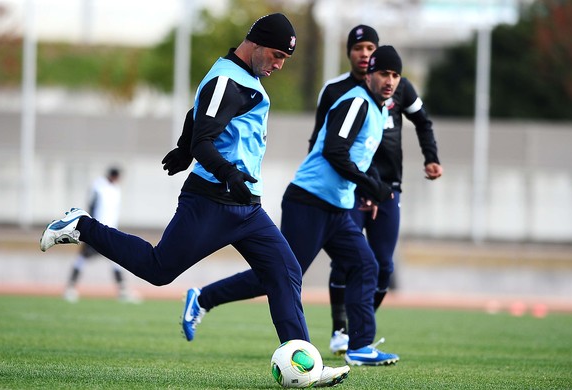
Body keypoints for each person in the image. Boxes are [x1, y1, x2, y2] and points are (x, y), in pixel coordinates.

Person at [39, 13, 349, 387]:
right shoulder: (227, 79)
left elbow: (197, 116)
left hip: (247, 207)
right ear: (255, 43)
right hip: (211, 201)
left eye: (285, 58)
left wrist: (185, 148)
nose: (279, 64)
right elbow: (206, 133)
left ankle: (306, 366)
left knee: (285, 272)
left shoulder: (242, 78)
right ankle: (80, 225)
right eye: (276, 54)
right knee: (158, 269)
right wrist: (216, 164)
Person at [179, 45, 404, 367]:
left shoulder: (380, 109)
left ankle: (360, 346)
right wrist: (373, 187)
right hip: (309, 201)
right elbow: (335, 152)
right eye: (384, 73)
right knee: (281, 275)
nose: (389, 81)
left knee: (365, 265)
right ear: (369, 74)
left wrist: (368, 188)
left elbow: (359, 158)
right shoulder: (356, 103)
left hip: (337, 207)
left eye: (395, 75)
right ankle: (203, 298)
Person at [310, 25, 443, 355]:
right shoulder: (338, 91)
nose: (365, 53)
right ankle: (342, 331)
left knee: (383, 266)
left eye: (371, 47)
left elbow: (423, 121)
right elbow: (322, 143)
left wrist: (431, 158)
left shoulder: (397, 87)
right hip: (351, 189)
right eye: (359, 48)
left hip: (387, 190)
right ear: (350, 53)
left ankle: (359, 328)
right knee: (348, 261)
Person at [62, 167, 139, 303]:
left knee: (117, 260)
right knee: (83, 257)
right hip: (97, 230)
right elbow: (91, 206)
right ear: (113, 176)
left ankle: (122, 290)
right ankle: (70, 287)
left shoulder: (116, 189)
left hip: (111, 230)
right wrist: (90, 227)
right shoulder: (98, 186)